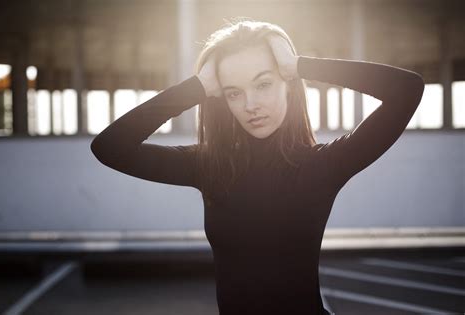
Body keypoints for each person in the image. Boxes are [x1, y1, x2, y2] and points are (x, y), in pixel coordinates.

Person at [91, 18, 424, 315]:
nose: (250, 105)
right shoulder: (209, 166)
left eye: (264, 84)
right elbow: (109, 147)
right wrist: (196, 88)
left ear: (288, 85)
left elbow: (407, 90)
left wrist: (300, 65)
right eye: (234, 93)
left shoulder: (324, 164)